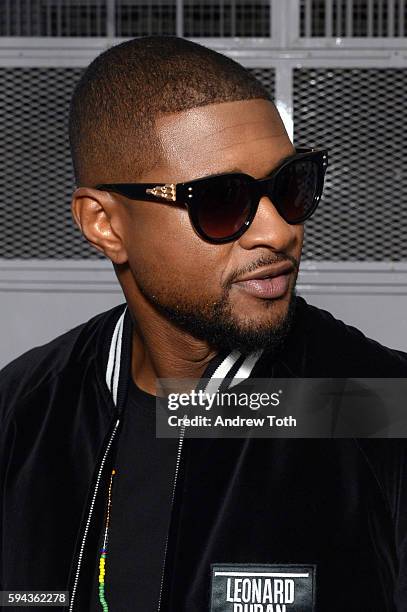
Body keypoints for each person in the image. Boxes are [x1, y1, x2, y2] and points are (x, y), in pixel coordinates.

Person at [1, 35, 406, 612]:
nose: (277, 231)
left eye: (290, 187)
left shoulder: (381, 408)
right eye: (220, 199)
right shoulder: (24, 412)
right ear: (104, 225)